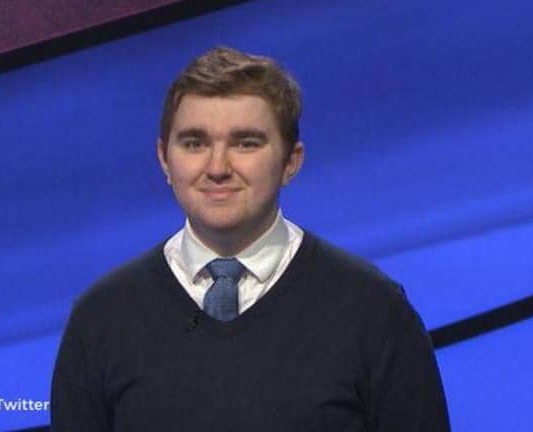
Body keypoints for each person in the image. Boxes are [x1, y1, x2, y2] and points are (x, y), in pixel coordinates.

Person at [50, 46, 450, 431]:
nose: (217, 168)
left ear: (291, 162)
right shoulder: (101, 319)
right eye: (195, 143)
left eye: (245, 143)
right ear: (164, 159)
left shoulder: (374, 311)